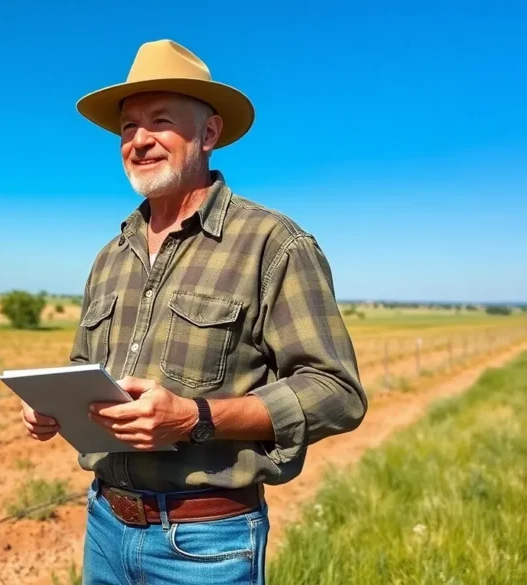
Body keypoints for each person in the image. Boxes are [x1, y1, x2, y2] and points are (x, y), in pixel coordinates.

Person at [20, 39, 367, 585]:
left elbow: (337, 392)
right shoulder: (110, 256)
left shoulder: (273, 244)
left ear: (209, 134)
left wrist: (196, 417)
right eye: (128, 126)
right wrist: (54, 405)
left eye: (160, 121)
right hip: (104, 524)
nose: (139, 140)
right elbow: (85, 367)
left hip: (206, 542)